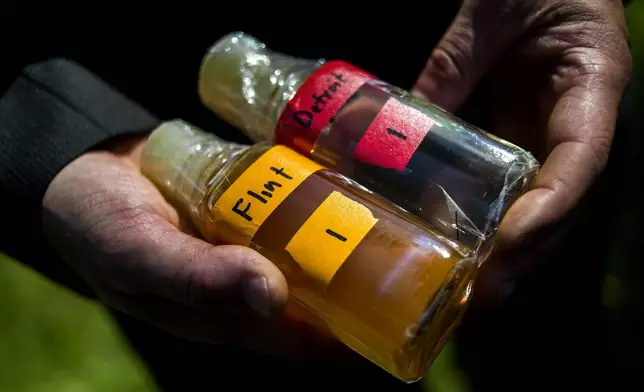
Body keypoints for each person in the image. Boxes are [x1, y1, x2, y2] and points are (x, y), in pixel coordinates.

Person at [0, 1, 633, 390]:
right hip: (128, 88)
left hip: (484, 60)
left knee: (551, 331)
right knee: (277, 350)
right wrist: (58, 135)